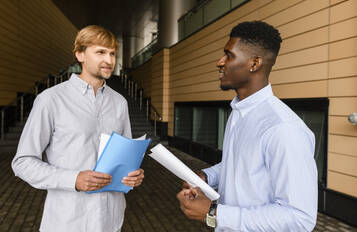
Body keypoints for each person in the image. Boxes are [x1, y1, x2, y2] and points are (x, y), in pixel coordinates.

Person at [177, 21, 318, 231]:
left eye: (229, 55)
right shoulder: (239, 113)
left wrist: (214, 213)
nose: (219, 62)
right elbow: (243, 165)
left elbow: (299, 217)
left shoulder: (283, 128)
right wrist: (208, 177)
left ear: (254, 63)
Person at [12, 25, 144, 232]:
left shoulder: (120, 103)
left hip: (111, 221)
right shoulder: (51, 99)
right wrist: (74, 179)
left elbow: (125, 158)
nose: (109, 61)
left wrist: (132, 175)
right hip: (67, 221)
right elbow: (23, 162)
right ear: (80, 54)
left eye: (112, 54)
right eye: (100, 52)